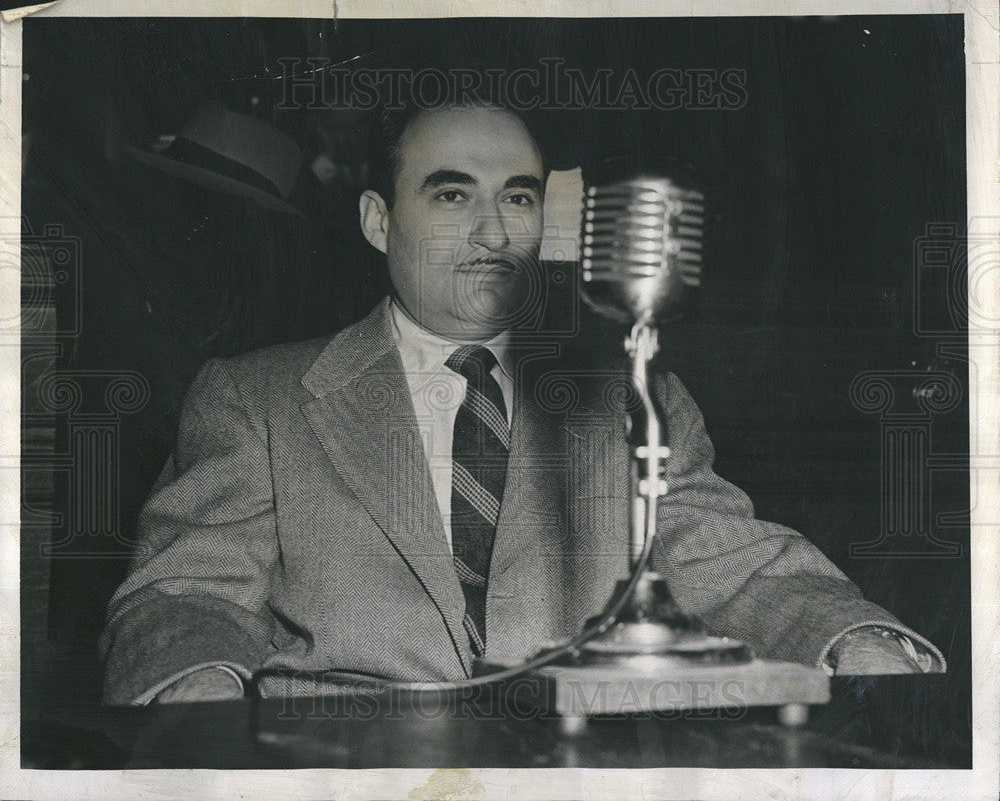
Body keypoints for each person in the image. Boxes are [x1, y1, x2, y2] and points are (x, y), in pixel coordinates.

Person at [99, 102, 943, 705]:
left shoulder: (629, 392)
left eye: (520, 196)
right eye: (452, 194)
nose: (496, 233)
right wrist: (201, 706)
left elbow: (738, 564)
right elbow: (182, 599)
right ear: (377, 221)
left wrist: (856, 641)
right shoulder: (257, 398)